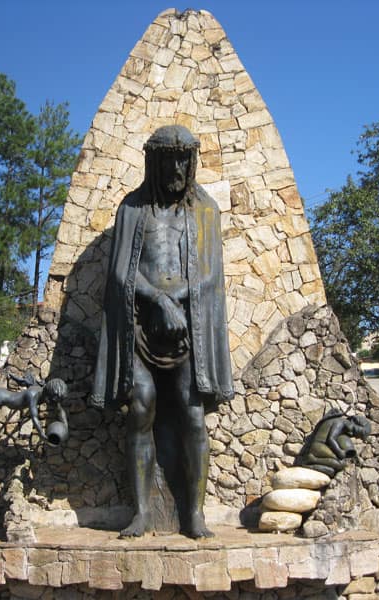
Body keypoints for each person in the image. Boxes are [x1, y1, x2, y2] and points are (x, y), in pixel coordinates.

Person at [90, 125, 233, 538]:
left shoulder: (205, 210)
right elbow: (121, 273)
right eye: (168, 160)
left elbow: (210, 275)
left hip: (189, 330)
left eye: (184, 160)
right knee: (141, 405)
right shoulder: (132, 209)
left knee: (193, 414)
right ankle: (141, 512)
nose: (177, 169)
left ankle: (195, 513)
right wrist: (157, 300)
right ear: (153, 162)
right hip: (140, 326)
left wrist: (177, 303)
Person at [297, 411, 371, 477]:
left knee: (331, 471)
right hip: (319, 445)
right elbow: (331, 438)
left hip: (322, 446)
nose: (351, 434)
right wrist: (339, 451)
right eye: (353, 430)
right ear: (352, 421)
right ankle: (312, 459)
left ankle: (313, 464)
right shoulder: (339, 422)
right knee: (340, 463)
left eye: (354, 435)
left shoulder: (343, 425)